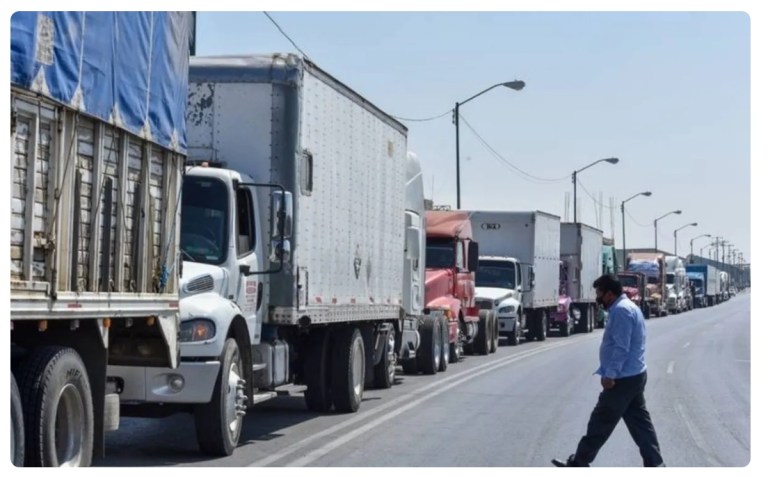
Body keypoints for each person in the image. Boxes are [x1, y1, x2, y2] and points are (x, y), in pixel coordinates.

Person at [552, 274, 665, 467]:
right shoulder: (626, 307)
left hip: (623, 378)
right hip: (634, 375)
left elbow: (622, 347)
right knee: (640, 424)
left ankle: (578, 463)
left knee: (600, 421)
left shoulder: (622, 311)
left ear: (610, 294)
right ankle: (656, 464)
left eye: (600, 293)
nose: (598, 298)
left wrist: (611, 374)